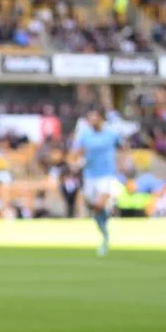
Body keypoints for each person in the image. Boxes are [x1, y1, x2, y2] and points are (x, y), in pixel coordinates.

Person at [68, 108, 123, 256]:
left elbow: (123, 148)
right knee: (94, 207)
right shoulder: (85, 135)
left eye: (94, 117)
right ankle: (104, 227)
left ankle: (105, 230)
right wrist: (75, 163)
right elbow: (76, 152)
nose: (92, 121)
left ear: (100, 119)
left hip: (106, 175)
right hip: (90, 176)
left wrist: (123, 164)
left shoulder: (111, 134)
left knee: (99, 204)